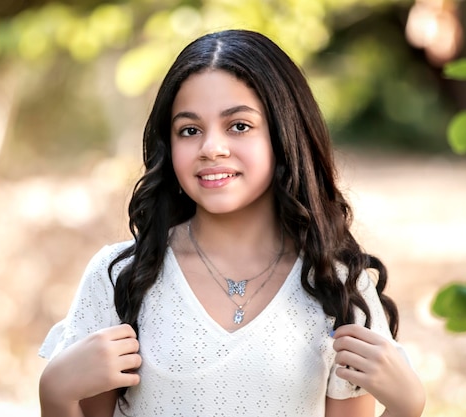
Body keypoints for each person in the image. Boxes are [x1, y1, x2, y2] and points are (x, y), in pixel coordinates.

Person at [38, 29, 426, 417]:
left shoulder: (336, 284)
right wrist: (55, 395)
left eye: (239, 126)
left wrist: (406, 407)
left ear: (284, 134)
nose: (211, 148)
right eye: (189, 130)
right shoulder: (120, 277)